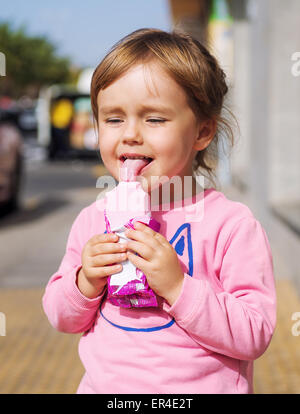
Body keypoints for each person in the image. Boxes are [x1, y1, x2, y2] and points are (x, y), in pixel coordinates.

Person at [42, 28, 276, 394]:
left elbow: (254, 333)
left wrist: (178, 287)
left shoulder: (230, 225)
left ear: (202, 132)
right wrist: (85, 280)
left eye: (154, 119)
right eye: (114, 119)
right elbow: (61, 316)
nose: (130, 134)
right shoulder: (92, 220)